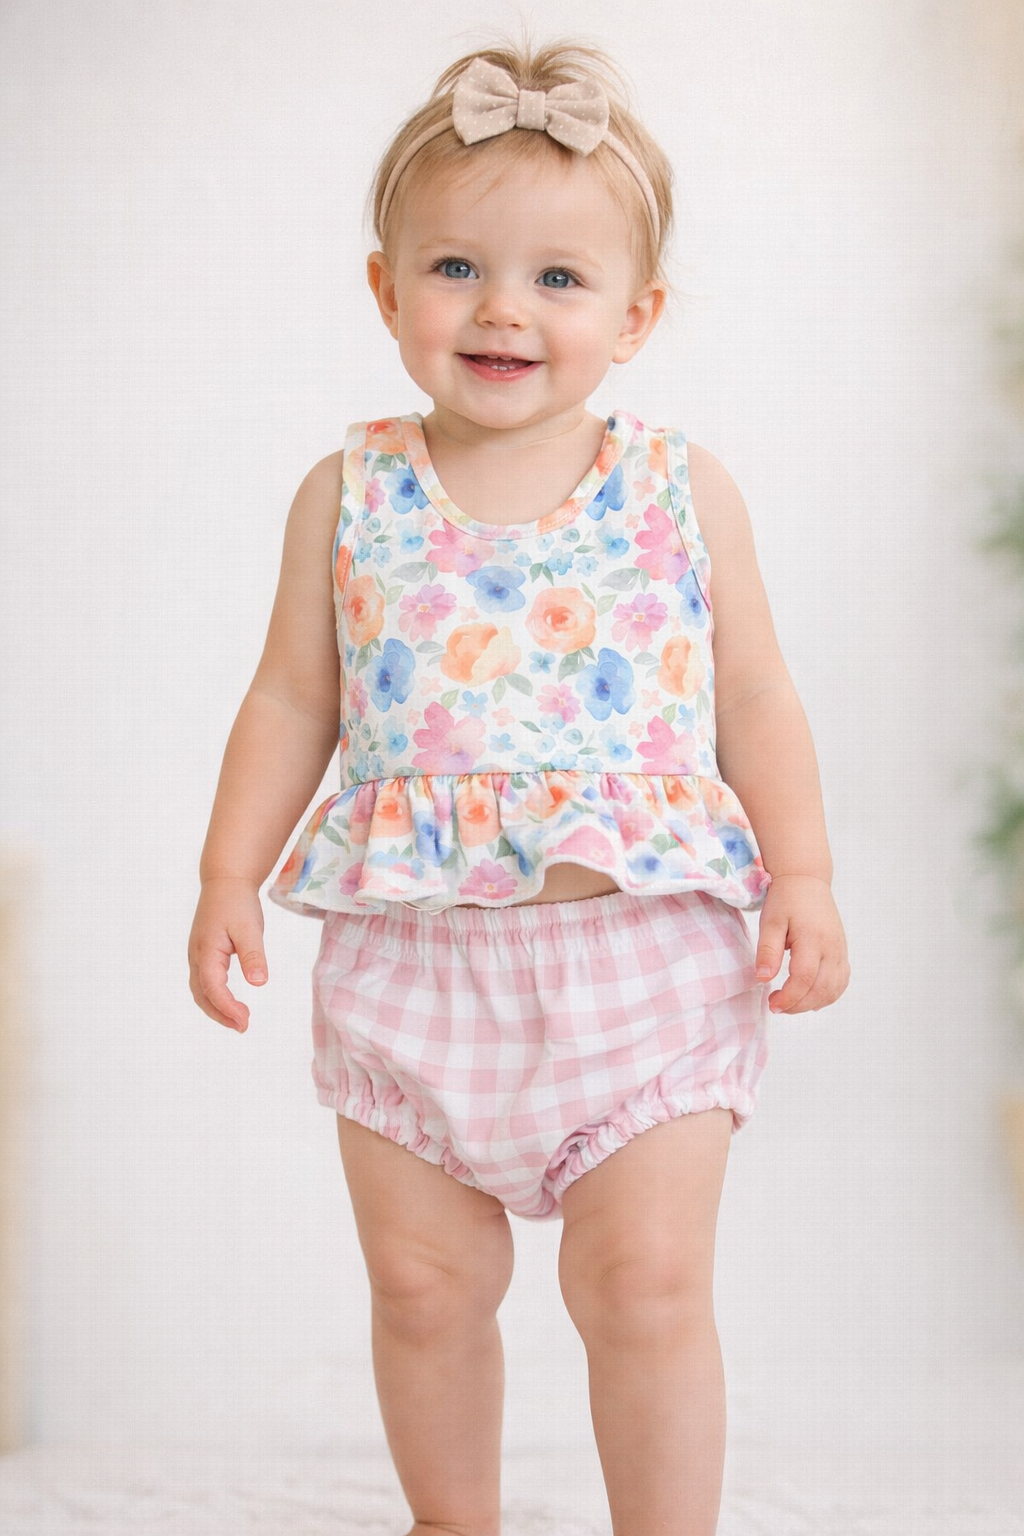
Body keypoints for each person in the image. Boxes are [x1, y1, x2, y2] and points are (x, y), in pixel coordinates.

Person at [188, 33, 850, 1536]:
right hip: (410, 965)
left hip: (647, 960)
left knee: (646, 1284)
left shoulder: (683, 487)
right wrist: (228, 872)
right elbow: (293, 695)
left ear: (638, 316)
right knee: (425, 1289)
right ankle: (452, 1521)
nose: (503, 309)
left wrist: (801, 874)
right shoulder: (348, 491)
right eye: (457, 268)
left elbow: (755, 690)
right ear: (385, 289)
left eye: (560, 279)